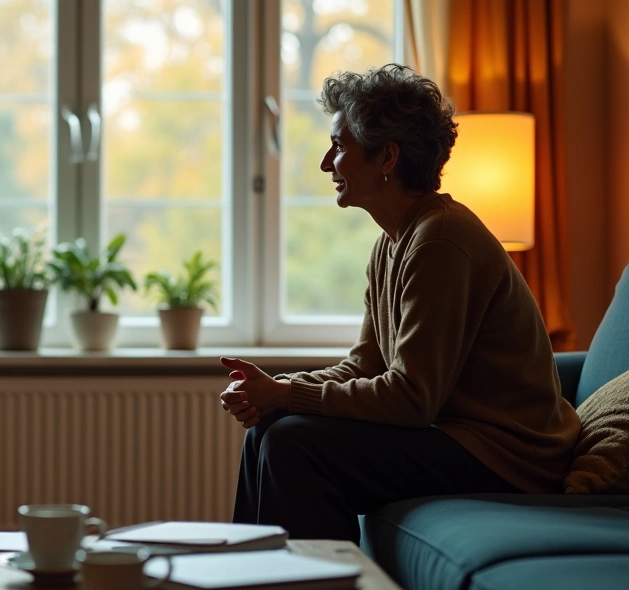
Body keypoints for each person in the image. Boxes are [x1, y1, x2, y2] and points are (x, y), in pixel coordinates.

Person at [221, 64, 579, 543]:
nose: (328, 163)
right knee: (265, 431)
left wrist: (286, 396)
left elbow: (411, 398)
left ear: (387, 156)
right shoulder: (393, 243)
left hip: (509, 455)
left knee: (291, 442)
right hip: (455, 434)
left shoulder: (441, 240)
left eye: (341, 146)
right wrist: (275, 391)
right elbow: (364, 366)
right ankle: (251, 588)